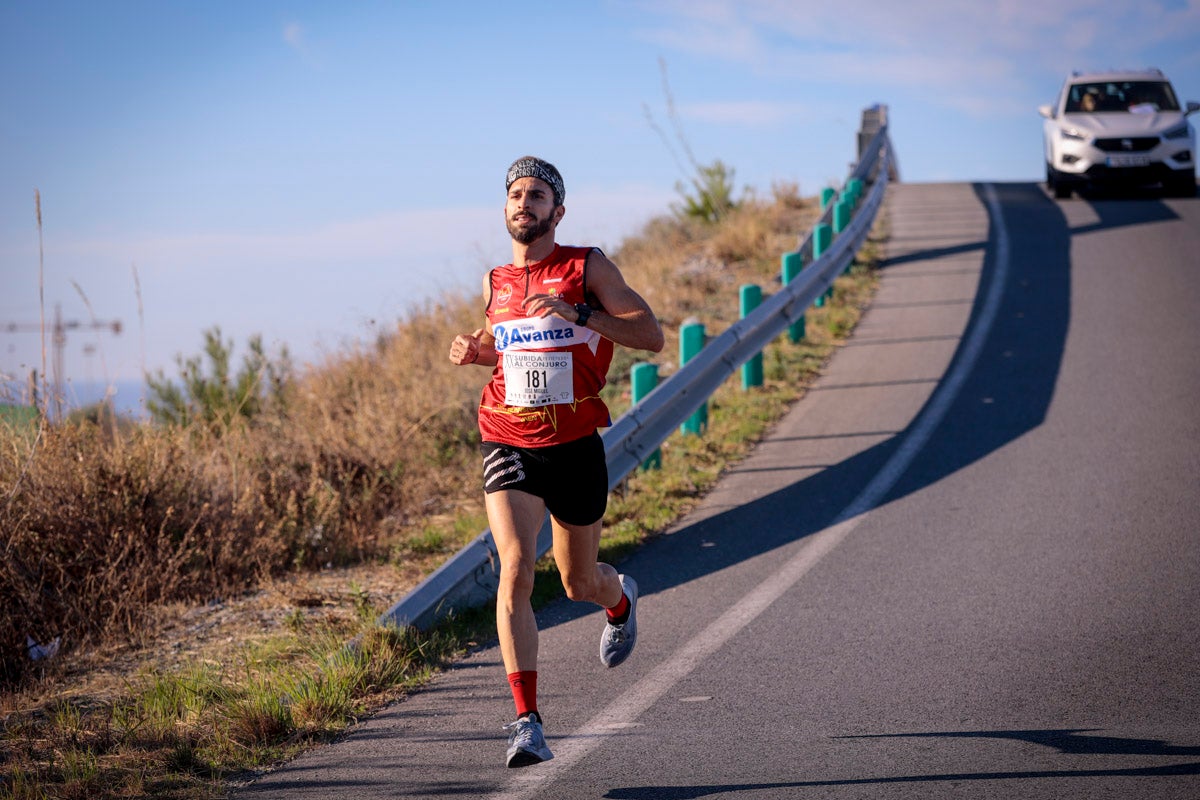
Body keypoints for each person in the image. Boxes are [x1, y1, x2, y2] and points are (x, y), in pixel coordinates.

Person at [448, 156, 665, 768]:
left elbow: (649, 334)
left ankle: (618, 599)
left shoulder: (586, 265)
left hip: (573, 444)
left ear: (557, 210)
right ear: (506, 208)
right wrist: (478, 350)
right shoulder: (496, 279)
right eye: (516, 194)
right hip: (507, 436)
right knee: (515, 567)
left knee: (577, 583)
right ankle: (526, 724)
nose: (525, 203)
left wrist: (580, 314)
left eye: (537, 195)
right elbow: (509, 346)